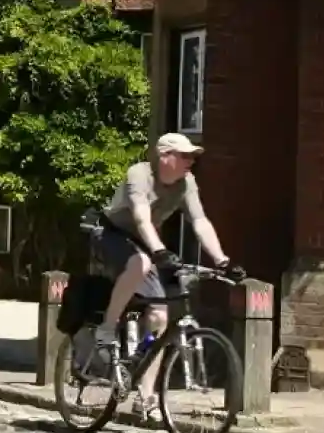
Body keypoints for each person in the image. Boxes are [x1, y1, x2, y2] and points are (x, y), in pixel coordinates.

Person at [77, 132, 232, 377]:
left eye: (192, 157)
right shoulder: (139, 175)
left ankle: (145, 397)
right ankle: (106, 329)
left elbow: (200, 222)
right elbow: (141, 218)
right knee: (141, 262)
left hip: (144, 242)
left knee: (159, 318)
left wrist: (222, 259)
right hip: (111, 233)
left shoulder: (187, 183)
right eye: (184, 156)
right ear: (164, 156)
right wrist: (159, 250)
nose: (190, 161)